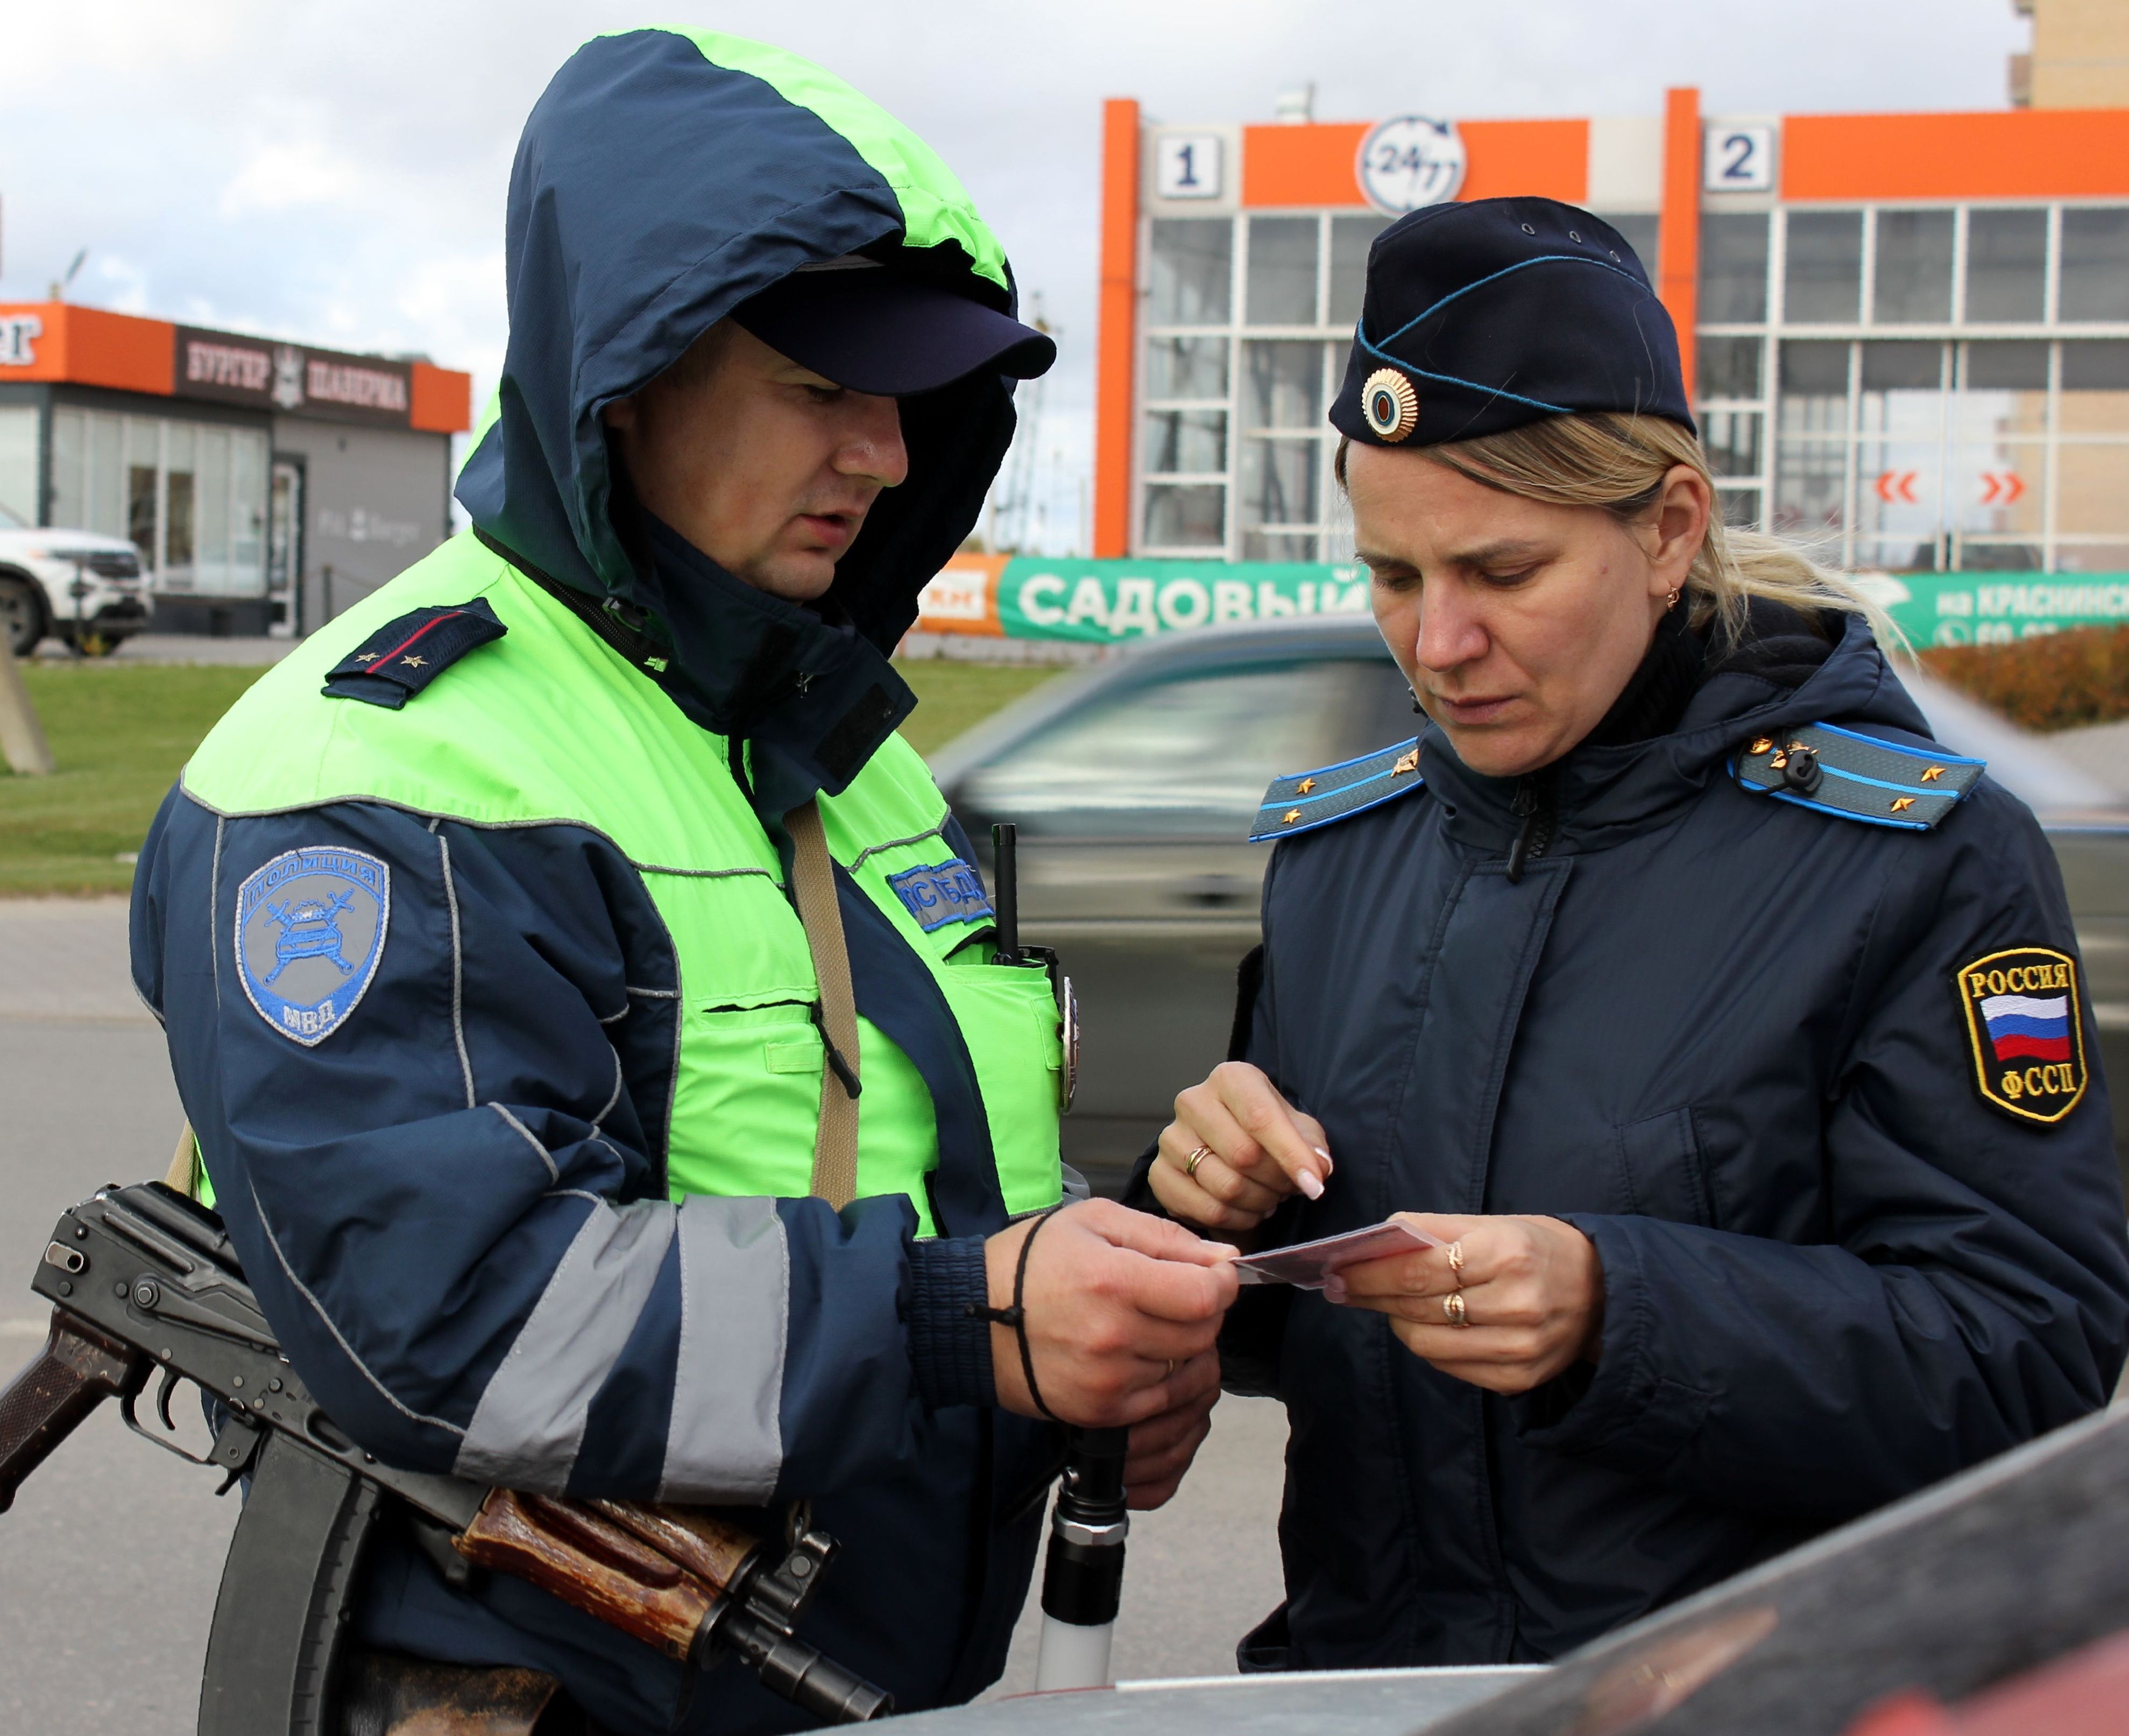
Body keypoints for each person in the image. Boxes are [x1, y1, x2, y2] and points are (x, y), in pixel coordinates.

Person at [130, 29, 1233, 1733]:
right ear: (624, 379)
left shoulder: (832, 742)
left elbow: (926, 1172)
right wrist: (974, 1322)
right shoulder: (384, 764)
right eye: (821, 388)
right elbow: (468, 1313)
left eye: (911, 401)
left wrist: (1076, 1358)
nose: (882, 452)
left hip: (859, 1676)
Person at [1132, 197, 2129, 1670]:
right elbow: (1325, 1315)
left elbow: (2032, 1353)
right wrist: (1210, 1206)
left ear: (1668, 529)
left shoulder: (1918, 862)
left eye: (1504, 572)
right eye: (1393, 577)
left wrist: (1620, 1306)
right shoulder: (1339, 856)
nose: (1438, 644)